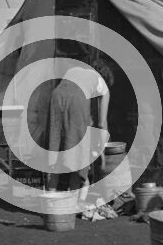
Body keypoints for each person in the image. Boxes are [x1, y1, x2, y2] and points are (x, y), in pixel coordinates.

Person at [47, 58, 114, 201]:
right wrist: (101, 148)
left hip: (56, 96)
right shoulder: (102, 83)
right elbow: (102, 123)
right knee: (78, 153)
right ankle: (77, 202)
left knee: (56, 144)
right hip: (77, 99)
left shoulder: (73, 70)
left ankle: (50, 200)